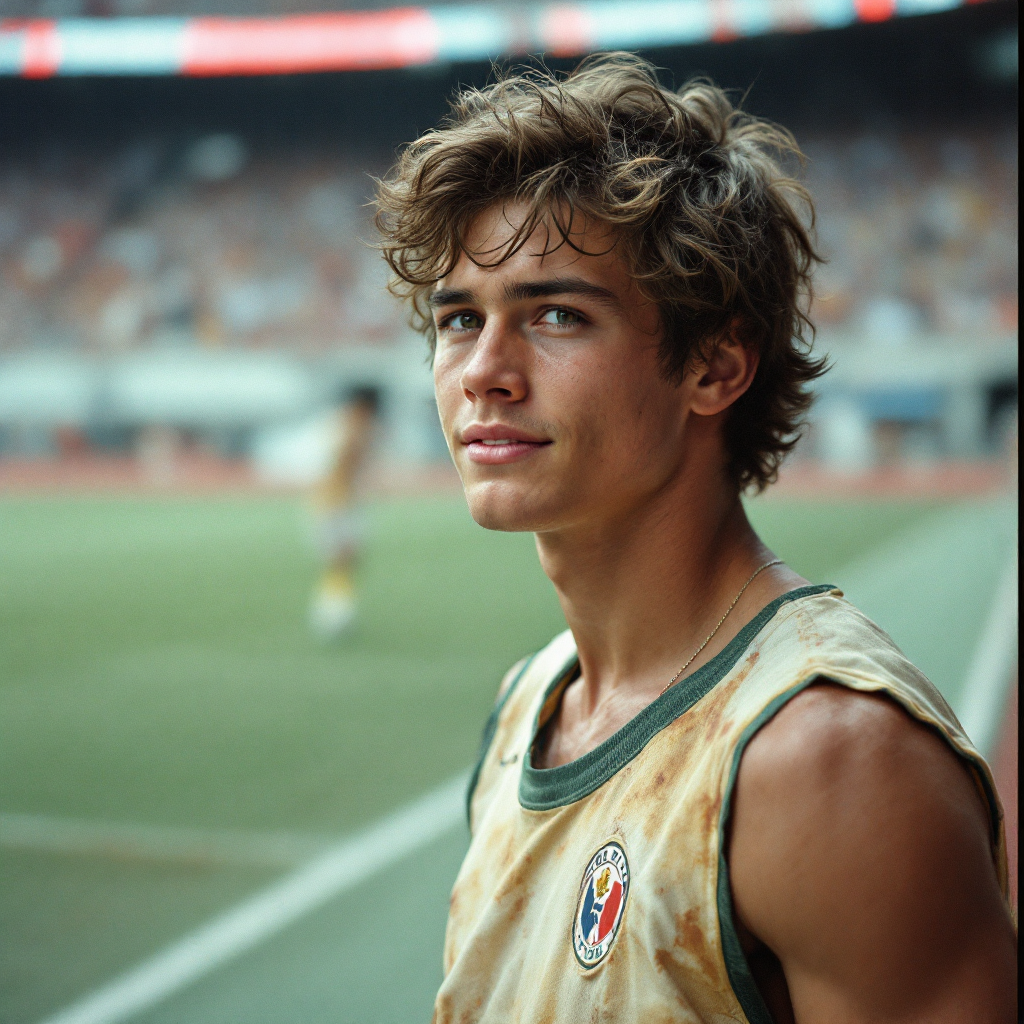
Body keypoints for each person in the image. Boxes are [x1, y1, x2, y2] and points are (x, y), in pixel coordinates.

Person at [375, 55, 1016, 1023]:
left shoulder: (827, 759)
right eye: (460, 317)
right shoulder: (527, 704)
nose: (484, 372)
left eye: (555, 314)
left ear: (713, 366)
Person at [308, 385, 379, 638]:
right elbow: (340, 467)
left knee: (344, 560)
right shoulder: (353, 427)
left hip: (335, 502)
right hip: (338, 504)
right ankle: (333, 610)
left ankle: (334, 606)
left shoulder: (343, 423)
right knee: (343, 558)